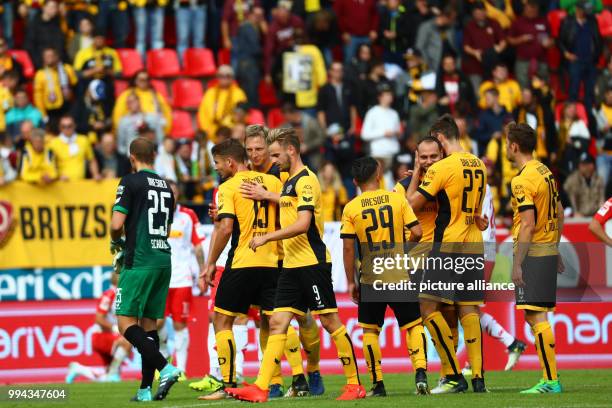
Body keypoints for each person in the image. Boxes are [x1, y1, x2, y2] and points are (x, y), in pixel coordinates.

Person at [228, 128, 366, 402]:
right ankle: (261, 387)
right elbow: (287, 201)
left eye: (277, 154)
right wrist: (268, 196)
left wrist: (267, 236)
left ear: (291, 150)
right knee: (277, 321)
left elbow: (303, 224)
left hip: (312, 263)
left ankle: (354, 384)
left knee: (328, 321)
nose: (273, 159)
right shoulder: (289, 181)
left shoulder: (306, 181)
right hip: (291, 265)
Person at [240, 125, 325, 397]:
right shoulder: (248, 176)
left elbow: (295, 201)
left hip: (293, 252)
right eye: (249, 150)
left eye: (259, 149)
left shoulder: (284, 171)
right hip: (265, 257)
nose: (254, 154)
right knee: (269, 320)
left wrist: (267, 195)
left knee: (305, 320)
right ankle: (277, 381)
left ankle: (310, 369)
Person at [199, 138, 286, 400]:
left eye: (217, 163)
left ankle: (226, 385)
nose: (216, 168)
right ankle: (268, 383)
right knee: (274, 324)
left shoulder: (228, 187)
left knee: (222, 320)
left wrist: (211, 262)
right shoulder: (273, 183)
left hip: (243, 261)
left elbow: (225, 227)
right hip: (272, 263)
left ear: (230, 162)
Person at [408, 115, 488, 393]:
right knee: (468, 310)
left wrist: (418, 173)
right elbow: (479, 211)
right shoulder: (478, 164)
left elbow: (410, 206)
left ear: (440, 138)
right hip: (474, 244)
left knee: (427, 307)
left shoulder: (442, 167)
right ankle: (478, 379)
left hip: (448, 245)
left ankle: (453, 374)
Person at [342, 157, 427, 396]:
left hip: (371, 277)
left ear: (355, 181)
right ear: (378, 176)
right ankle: (420, 372)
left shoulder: (351, 208)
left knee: (370, 331)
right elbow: (418, 232)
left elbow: (348, 249)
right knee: (413, 326)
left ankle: (377, 384)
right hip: (398, 273)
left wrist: (351, 282)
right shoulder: (397, 199)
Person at [110, 137, 180, 402]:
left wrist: (116, 241)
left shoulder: (130, 181)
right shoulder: (166, 187)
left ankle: (166, 368)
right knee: (149, 325)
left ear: (132, 158)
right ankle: (144, 390)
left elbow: (117, 223)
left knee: (125, 323)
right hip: (163, 259)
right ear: (154, 155)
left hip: (139, 260)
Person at [506, 122, 564, 393]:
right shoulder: (545, 171)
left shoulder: (522, 179)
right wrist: (557, 246)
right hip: (547, 247)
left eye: (507, 144)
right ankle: (548, 376)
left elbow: (528, 223)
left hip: (534, 251)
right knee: (534, 315)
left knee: (536, 316)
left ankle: (550, 380)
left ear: (514, 146)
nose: (506, 148)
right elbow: (559, 210)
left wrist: (517, 263)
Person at [157, 180, 205, 377]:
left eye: (174, 193)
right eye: (167, 193)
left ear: (178, 195)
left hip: (182, 278)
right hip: (159, 278)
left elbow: (198, 245)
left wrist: (202, 272)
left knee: (179, 323)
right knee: (157, 323)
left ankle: (181, 370)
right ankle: (164, 357)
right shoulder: (154, 216)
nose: (171, 197)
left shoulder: (188, 215)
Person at [65, 273, 132, 383]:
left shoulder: (122, 295)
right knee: (127, 341)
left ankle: (78, 369)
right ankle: (113, 373)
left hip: (108, 336)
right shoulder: (109, 295)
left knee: (107, 379)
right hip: (101, 336)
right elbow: (99, 319)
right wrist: (115, 329)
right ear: (118, 279)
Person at [559, 0, 602, 109]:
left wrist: (596, 55)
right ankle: (571, 118)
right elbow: (560, 41)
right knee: (573, 91)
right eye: (584, 10)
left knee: (590, 93)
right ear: (578, 9)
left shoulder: (592, 21)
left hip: (590, 61)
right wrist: (566, 53)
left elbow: (598, 39)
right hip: (575, 61)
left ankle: (588, 117)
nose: (587, 13)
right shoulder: (568, 21)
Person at [361, 83, 400, 188]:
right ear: (380, 97)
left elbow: (398, 133)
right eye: (386, 94)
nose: (389, 96)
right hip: (378, 154)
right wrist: (383, 133)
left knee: (391, 184)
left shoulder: (394, 113)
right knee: (376, 181)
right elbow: (364, 134)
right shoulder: (372, 112)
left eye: (390, 94)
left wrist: (397, 133)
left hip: (392, 154)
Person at [462, 1, 507, 92]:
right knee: (478, 92)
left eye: (482, 12)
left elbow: (503, 41)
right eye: (477, 13)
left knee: (495, 90)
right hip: (476, 64)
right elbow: (466, 46)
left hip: (493, 64)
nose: (480, 15)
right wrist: (474, 52)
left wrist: (498, 49)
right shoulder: (469, 26)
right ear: (473, 14)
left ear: (486, 12)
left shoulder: (494, 23)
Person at [507, 0, 552, 88]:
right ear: (525, 9)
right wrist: (521, 39)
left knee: (543, 87)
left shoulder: (544, 21)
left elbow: (552, 39)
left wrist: (549, 43)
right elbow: (509, 40)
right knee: (524, 87)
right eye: (529, 11)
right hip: (523, 62)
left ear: (538, 10)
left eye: (534, 11)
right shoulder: (517, 22)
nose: (532, 13)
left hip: (541, 61)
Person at [113, 70, 172, 135]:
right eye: (141, 79)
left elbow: (166, 113)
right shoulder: (126, 95)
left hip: (153, 132)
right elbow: (118, 115)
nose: (143, 82)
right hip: (132, 131)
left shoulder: (156, 95)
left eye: (145, 79)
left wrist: (165, 132)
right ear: (135, 80)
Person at [197, 65, 247, 142]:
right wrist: (210, 131)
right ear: (217, 77)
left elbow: (241, 116)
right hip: (211, 130)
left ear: (232, 78)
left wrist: (228, 128)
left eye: (228, 76)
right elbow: (202, 115)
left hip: (230, 131)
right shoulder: (210, 93)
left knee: (240, 129)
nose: (224, 78)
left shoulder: (238, 93)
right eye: (221, 76)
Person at [33, 48, 77, 131]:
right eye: (46, 56)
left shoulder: (67, 69)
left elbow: (76, 86)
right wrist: (43, 115)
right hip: (51, 111)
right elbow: (38, 97)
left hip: (68, 108)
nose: (49, 58)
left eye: (51, 55)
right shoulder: (40, 74)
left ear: (57, 57)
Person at [48, 115, 100, 181]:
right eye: (63, 126)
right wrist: (58, 176)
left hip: (80, 183)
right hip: (61, 184)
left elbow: (91, 160)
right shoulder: (53, 143)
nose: (67, 129)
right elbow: (50, 164)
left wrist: (95, 174)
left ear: (74, 126)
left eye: (69, 126)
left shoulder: (83, 140)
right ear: (60, 128)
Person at [333, 0, 378, 65]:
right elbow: (337, 16)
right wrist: (343, 32)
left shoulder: (370, 1)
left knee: (368, 60)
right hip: (350, 37)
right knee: (349, 59)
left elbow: (375, 15)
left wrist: (374, 30)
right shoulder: (342, 1)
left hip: (367, 36)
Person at [415, 6, 457, 74]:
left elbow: (453, 48)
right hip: (433, 66)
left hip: (449, 67)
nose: (454, 22)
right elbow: (419, 47)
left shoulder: (450, 29)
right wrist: (428, 63)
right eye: (452, 19)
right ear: (445, 17)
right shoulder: (426, 27)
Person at [24, 0, 66, 68]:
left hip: (56, 63)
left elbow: (61, 44)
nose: (54, 10)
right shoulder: (34, 25)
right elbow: (29, 46)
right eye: (51, 7)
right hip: (39, 64)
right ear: (44, 8)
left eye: (55, 7)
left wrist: (57, 59)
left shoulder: (57, 24)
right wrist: (39, 63)